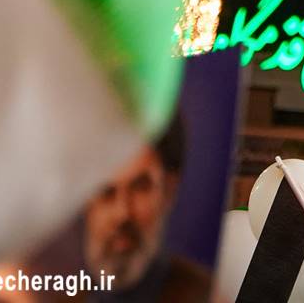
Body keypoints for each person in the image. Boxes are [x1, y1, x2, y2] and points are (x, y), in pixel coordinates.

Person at [80, 118, 210, 302]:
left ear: (168, 190)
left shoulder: (207, 295)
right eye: (106, 192)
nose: (122, 213)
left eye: (140, 187)